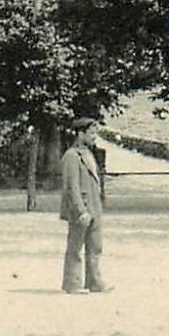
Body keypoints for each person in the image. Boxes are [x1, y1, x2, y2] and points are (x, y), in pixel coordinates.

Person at [59, 117, 112, 294]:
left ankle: (94, 282)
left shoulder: (89, 154)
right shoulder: (71, 156)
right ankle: (72, 284)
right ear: (80, 134)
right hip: (81, 209)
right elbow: (71, 187)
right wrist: (81, 210)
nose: (94, 137)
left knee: (95, 246)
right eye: (91, 133)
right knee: (75, 247)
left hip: (94, 208)